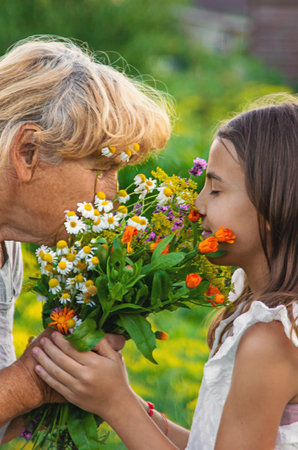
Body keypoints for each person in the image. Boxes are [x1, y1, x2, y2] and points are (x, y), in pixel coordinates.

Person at [32, 95, 298, 449]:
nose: (197, 205)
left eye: (216, 189)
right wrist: (130, 403)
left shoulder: (272, 339)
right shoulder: (257, 314)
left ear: (272, 207)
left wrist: (116, 404)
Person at [0, 36, 171, 444]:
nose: (111, 193)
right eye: (104, 166)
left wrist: (68, 381)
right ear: (27, 152)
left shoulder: (9, 249)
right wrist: (30, 382)